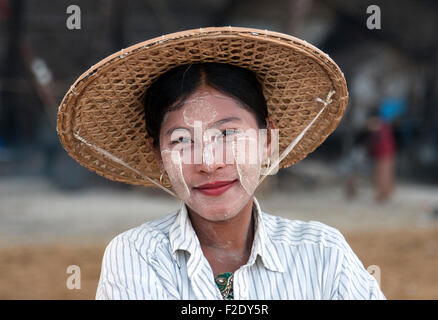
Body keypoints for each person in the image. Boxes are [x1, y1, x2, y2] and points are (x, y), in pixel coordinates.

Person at [57, 27, 385, 299]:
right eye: (182, 140)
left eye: (227, 133)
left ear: (267, 138)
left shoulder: (323, 254)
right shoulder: (136, 256)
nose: (209, 163)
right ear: (159, 154)